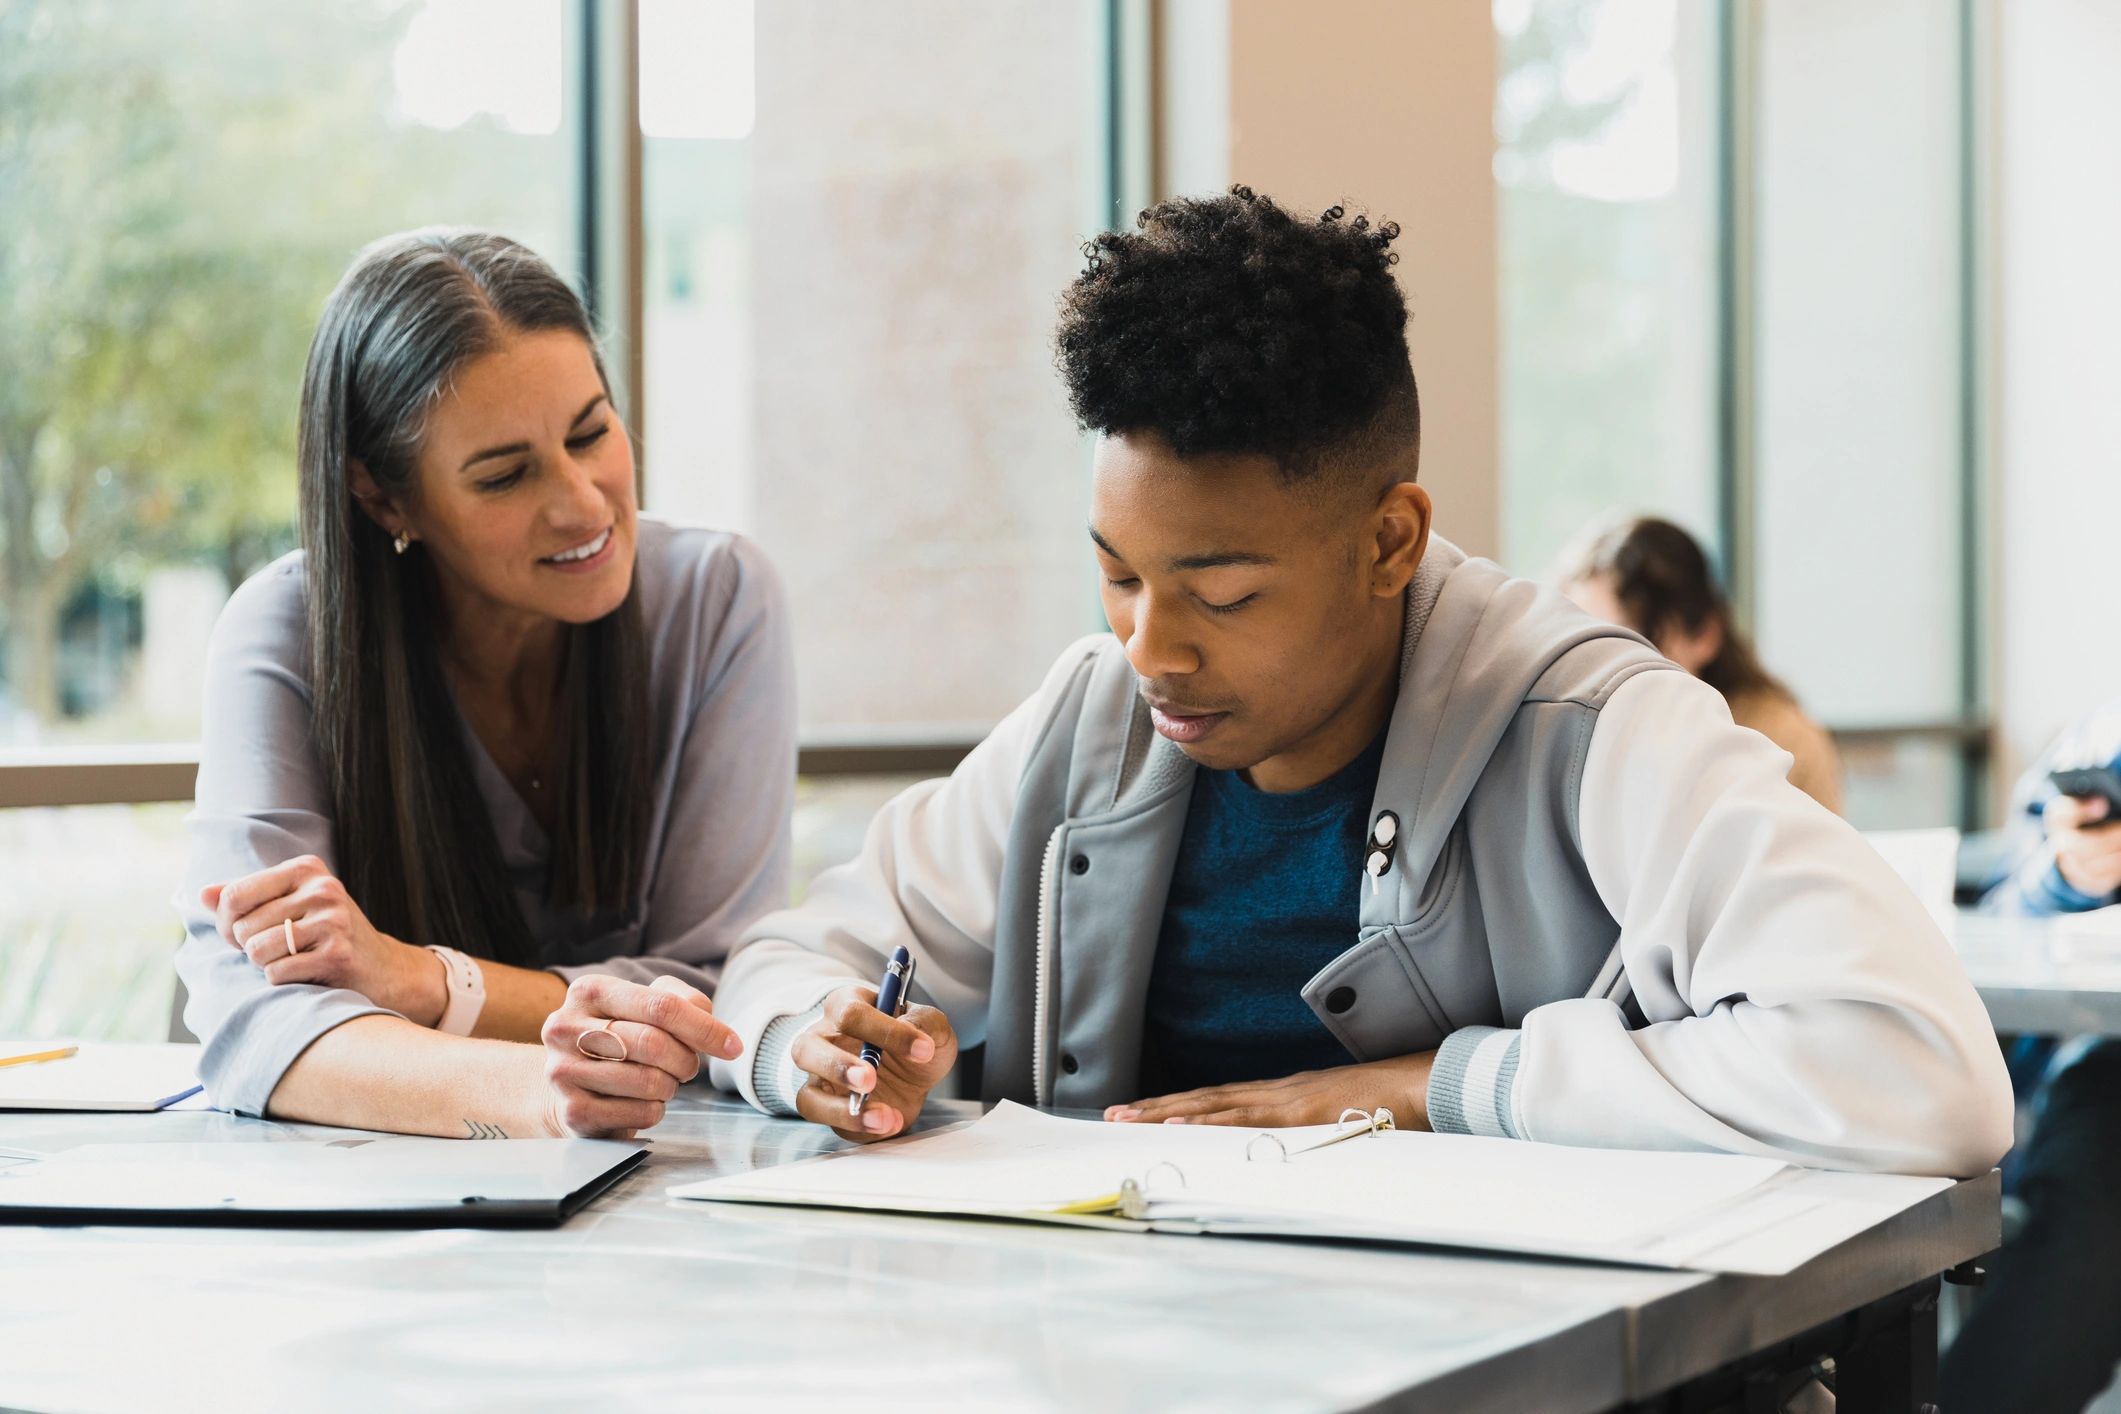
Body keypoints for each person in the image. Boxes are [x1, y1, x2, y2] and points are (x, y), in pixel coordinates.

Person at [699, 186, 2009, 1180]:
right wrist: (807, 1036)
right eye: (1117, 576)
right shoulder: (1090, 718)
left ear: (1389, 539)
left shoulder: (1595, 729)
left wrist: (1441, 1085)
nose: (1153, 647)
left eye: (1221, 593)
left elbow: (1925, 1072)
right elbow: (790, 954)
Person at [176, 230, 792, 1140]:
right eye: (504, 475)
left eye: (592, 432)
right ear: (385, 500)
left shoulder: (719, 599)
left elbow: (707, 995)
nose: (584, 503)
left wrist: (419, 981)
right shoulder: (287, 634)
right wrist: (549, 1094)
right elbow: (253, 1022)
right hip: (370, 1210)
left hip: (665, 1182)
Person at [1941, 702, 2121, 1413]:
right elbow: (2000, 934)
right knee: (2092, 1187)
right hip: (2108, 1071)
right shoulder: (2099, 741)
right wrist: (2069, 875)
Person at [1555, 515, 1845, 814]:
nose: (1603, 669)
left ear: (1706, 634)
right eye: (1585, 643)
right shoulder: (1570, 737)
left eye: (1631, 643)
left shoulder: (1784, 743)